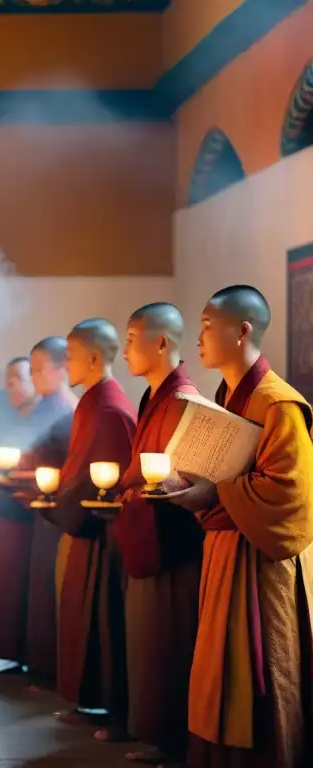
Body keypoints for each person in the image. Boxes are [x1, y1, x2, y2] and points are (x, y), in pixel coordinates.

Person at [173, 285, 313, 767]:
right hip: (225, 551)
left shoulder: (278, 404)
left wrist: (217, 491)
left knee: (262, 675)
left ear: (243, 331)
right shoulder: (228, 396)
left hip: (261, 562)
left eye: (210, 326)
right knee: (220, 673)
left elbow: (288, 495)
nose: (200, 337)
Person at [113, 303, 204, 765]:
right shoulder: (154, 397)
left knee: (167, 645)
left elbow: (193, 475)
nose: (124, 349)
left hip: (173, 544)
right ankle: (155, 734)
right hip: (147, 535)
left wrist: (156, 486)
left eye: (131, 338)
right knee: (148, 645)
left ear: (162, 342)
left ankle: (171, 740)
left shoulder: (184, 401)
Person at [45, 319, 135, 742]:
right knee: (84, 616)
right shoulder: (93, 402)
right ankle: (91, 702)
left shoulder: (109, 407)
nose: (66, 364)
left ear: (95, 357)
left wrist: (56, 502)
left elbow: (97, 477)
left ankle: (112, 708)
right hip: (86, 526)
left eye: (72, 356)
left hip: (104, 535)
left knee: (103, 620)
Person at [18, 336, 78, 688]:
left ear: (62, 369)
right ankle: (37, 661)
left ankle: (48, 666)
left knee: (49, 585)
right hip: (39, 505)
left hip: (58, 509)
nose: (35, 377)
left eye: (39, 369)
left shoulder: (67, 410)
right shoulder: (44, 407)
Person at [0, 357, 39, 671]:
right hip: (7, 506)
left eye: (18, 378)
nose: (11, 386)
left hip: (28, 513)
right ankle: (12, 650)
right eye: (7, 381)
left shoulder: (45, 417)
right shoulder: (16, 419)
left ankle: (26, 650)